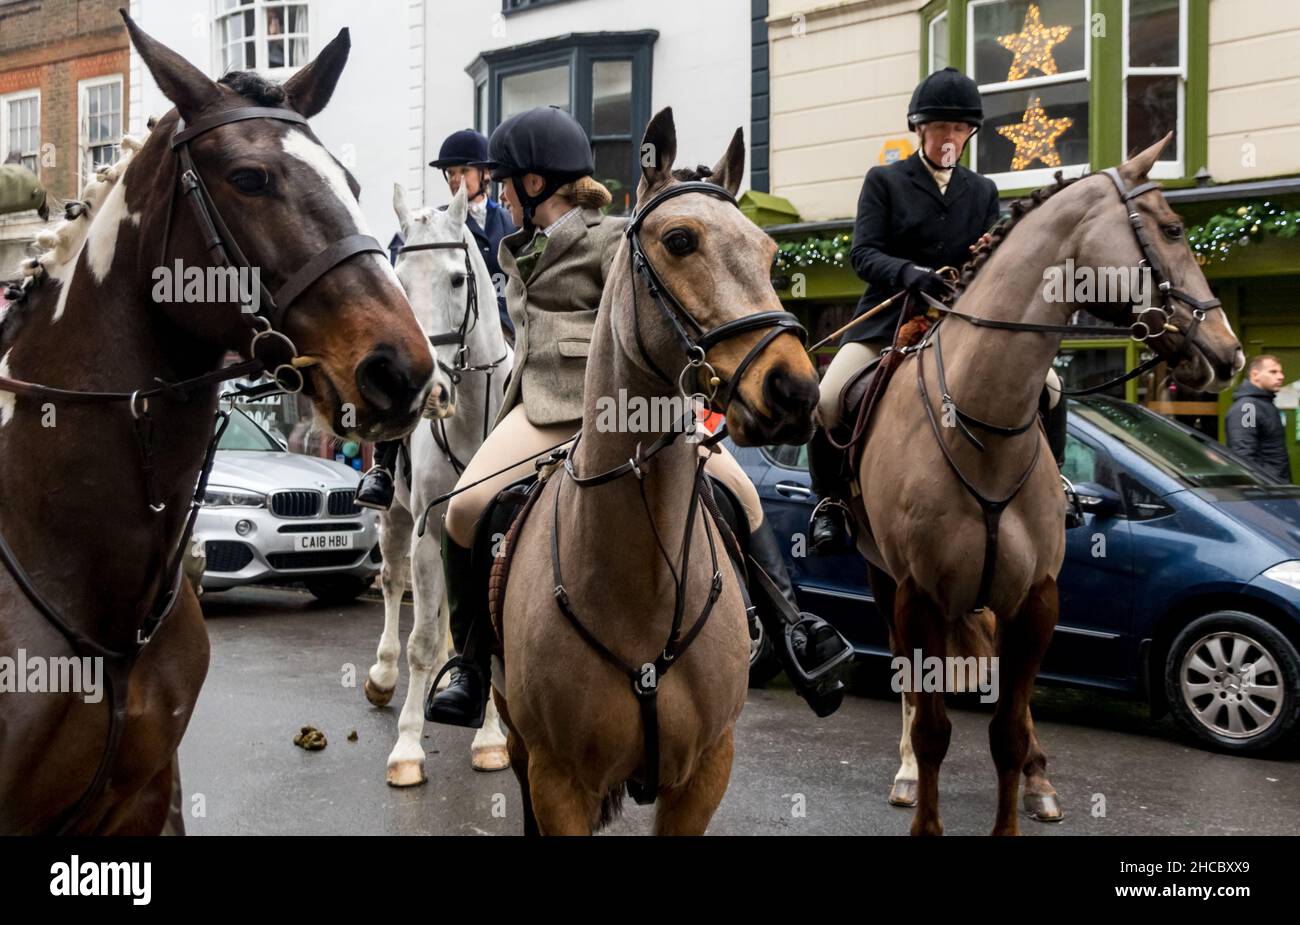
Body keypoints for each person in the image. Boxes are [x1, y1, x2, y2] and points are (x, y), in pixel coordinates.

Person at [424, 106, 854, 730]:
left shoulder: (615, 235)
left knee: (743, 496)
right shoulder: (514, 246)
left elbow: (655, 318)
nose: (498, 194)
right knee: (464, 506)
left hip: (624, 405)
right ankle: (468, 661)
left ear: (534, 182)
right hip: (543, 406)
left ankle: (796, 628)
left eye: (506, 182)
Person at [807, 67, 1067, 554]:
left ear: (970, 133)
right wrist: (909, 272)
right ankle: (830, 501)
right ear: (920, 129)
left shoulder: (983, 191)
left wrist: (989, 255)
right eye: (941, 127)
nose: (951, 137)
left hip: (963, 320)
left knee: (1051, 388)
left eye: (959, 128)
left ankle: (1058, 487)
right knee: (827, 397)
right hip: (891, 315)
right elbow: (863, 253)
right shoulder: (885, 180)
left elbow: (994, 263)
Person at [356, 129, 516, 511]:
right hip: (446, 327)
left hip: (504, 325)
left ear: (485, 175)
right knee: (406, 377)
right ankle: (384, 465)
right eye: (451, 174)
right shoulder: (430, 225)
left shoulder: (508, 225)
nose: (457, 181)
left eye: (464, 172)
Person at [1226, 354, 1292, 482]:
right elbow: (1242, 455)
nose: (1281, 376)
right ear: (1255, 375)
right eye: (1273, 372)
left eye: (1280, 372)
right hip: (1265, 489)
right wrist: (1266, 484)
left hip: (1276, 486)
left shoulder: (1265, 404)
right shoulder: (1247, 408)